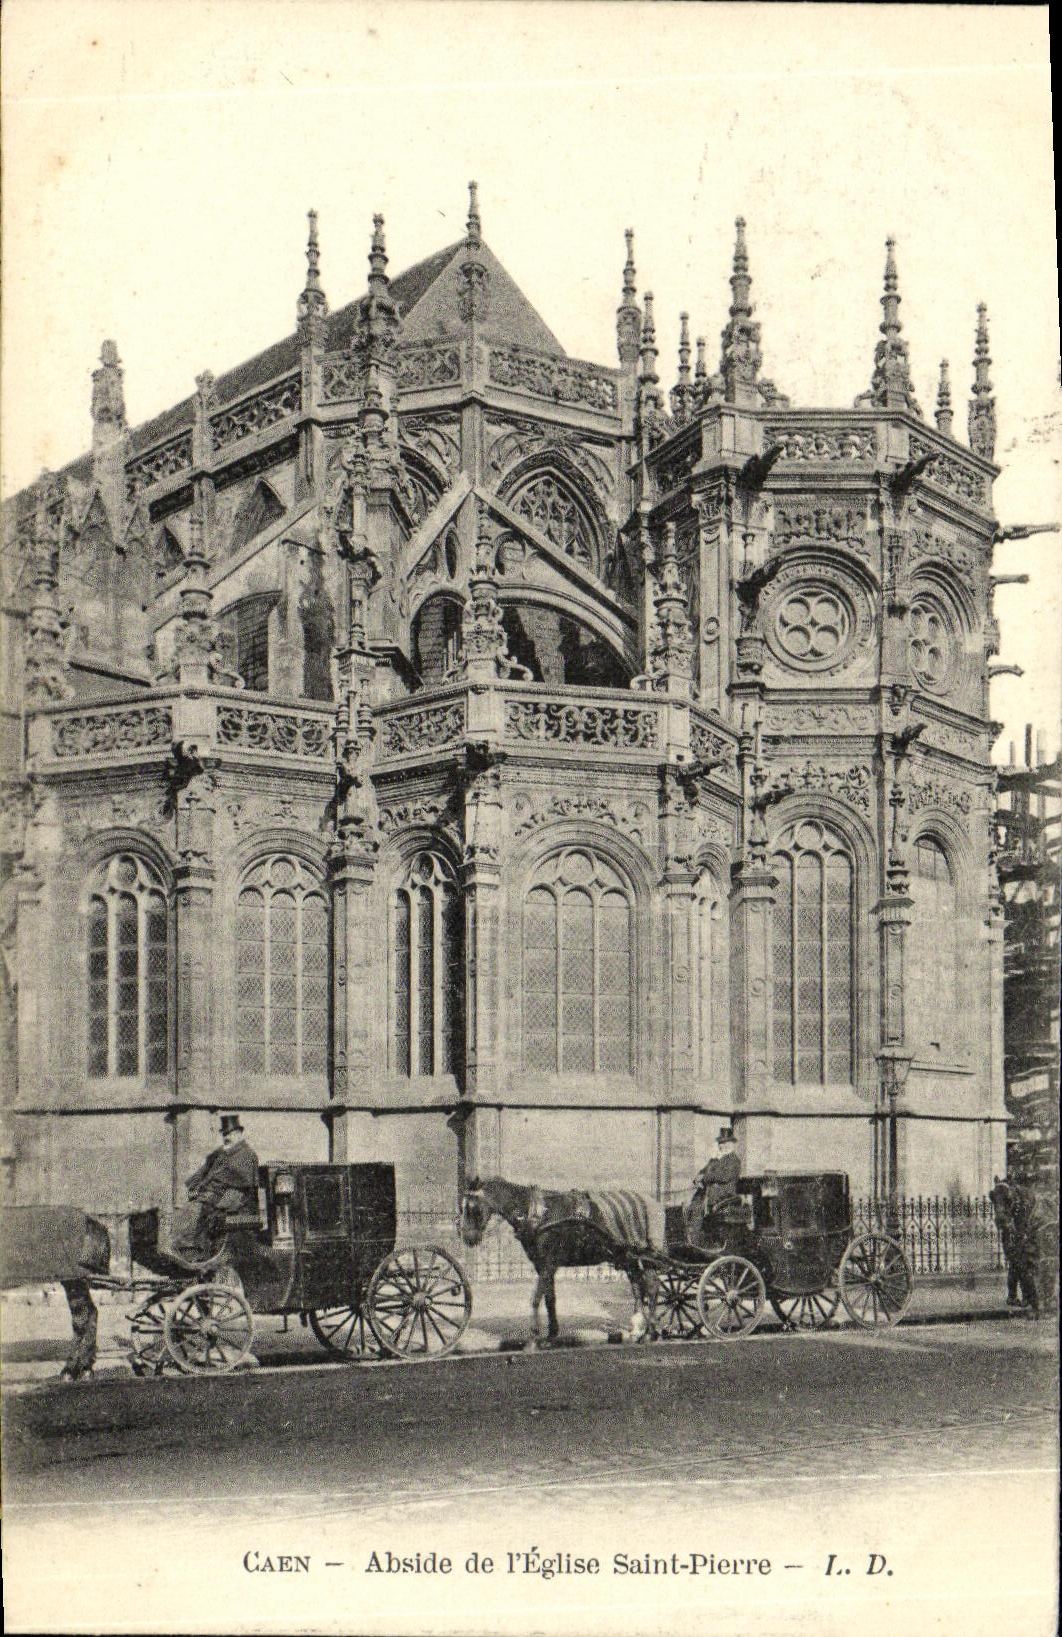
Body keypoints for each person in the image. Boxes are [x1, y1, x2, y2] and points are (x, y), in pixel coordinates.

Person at [177, 1115, 260, 1262]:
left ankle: (195, 1253)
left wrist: (219, 1205)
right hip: (212, 1195)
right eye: (225, 1134)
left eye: (230, 1134)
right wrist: (194, 1187)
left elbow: (242, 1189)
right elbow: (203, 1171)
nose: (227, 1137)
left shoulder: (247, 1155)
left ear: (239, 1134)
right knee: (185, 1209)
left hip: (235, 1202)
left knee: (197, 1210)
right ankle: (188, 1251)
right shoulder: (220, 1154)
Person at [686, 1127, 742, 1246]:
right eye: (721, 1143)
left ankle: (695, 1240)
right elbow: (702, 1172)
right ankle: (690, 1236)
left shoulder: (734, 1160)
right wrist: (697, 1178)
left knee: (698, 1209)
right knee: (690, 1207)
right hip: (707, 1194)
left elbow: (724, 1176)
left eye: (725, 1143)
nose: (723, 1146)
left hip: (723, 1195)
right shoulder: (714, 1160)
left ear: (732, 1144)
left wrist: (705, 1177)